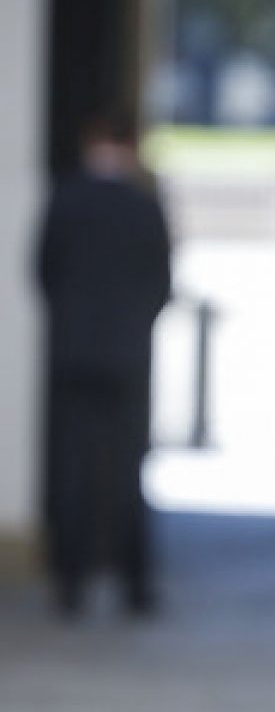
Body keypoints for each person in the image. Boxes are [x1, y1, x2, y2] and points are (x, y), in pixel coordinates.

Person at [37, 111, 172, 616]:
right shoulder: (144, 206)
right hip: (128, 355)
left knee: (72, 466)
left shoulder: (66, 199)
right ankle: (134, 582)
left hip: (73, 353)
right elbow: (162, 282)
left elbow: (43, 270)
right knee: (126, 468)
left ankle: (69, 581)